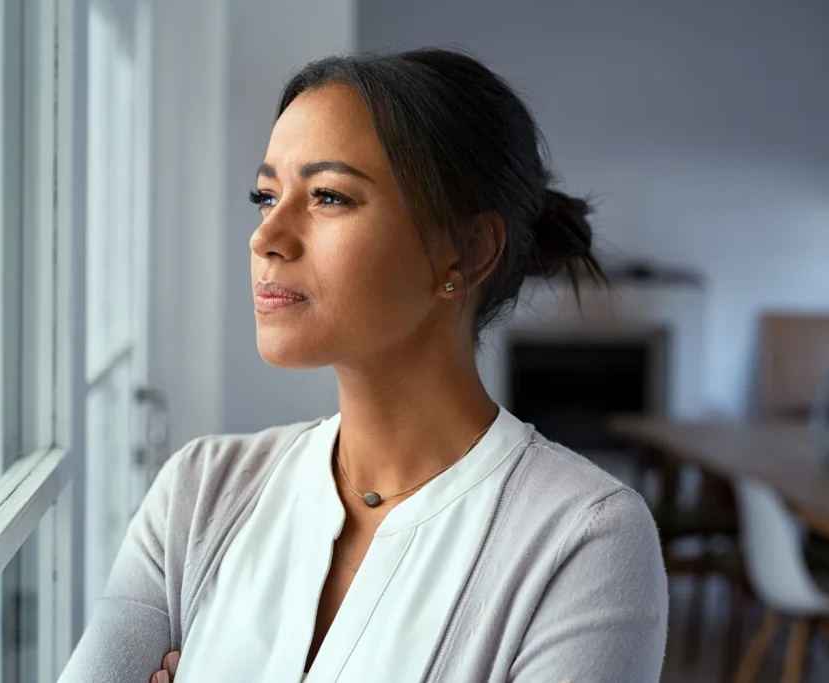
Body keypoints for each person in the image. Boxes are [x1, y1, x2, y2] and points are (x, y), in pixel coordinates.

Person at [59, 48, 668, 683]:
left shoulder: (585, 541)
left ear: (466, 252)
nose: (265, 237)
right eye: (266, 196)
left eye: (328, 196)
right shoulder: (199, 492)